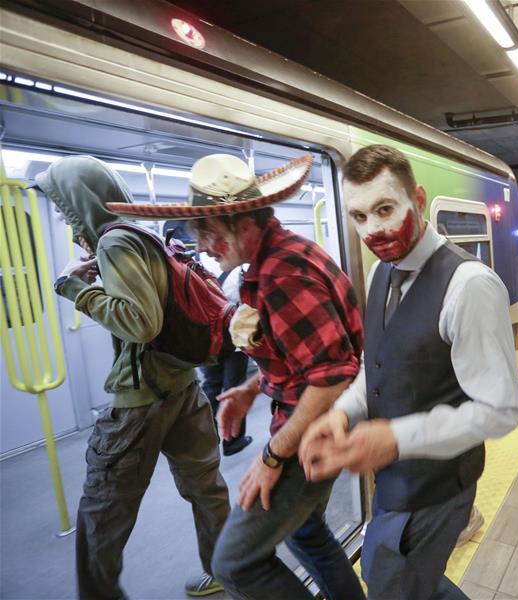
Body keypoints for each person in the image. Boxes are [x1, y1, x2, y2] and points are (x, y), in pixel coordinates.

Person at [107, 153, 366, 600]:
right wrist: (250, 388)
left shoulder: (282, 275)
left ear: (241, 219)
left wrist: (270, 457)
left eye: (206, 229)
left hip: (317, 430)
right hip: (316, 419)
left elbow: (331, 378)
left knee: (234, 563)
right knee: (306, 533)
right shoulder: (281, 259)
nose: (202, 245)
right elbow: (305, 358)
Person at [299, 144, 518, 599]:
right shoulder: (383, 273)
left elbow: (502, 411)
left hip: (436, 488)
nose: (373, 229)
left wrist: (396, 438)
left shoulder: (470, 286)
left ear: (418, 201)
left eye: (385, 208)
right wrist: (342, 414)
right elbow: (377, 363)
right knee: (406, 581)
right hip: (395, 482)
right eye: (359, 217)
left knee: (390, 587)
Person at [38, 156, 230, 599]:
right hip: (184, 386)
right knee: (206, 488)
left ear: (78, 202)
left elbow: (141, 324)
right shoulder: (144, 234)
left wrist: (73, 287)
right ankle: (224, 571)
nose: (63, 217)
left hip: (140, 400)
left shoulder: (115, 244)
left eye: (62, 206)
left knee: (103, 508)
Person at [200, 266, 253, 456]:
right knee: (233, 388)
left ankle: (206, 439)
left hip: (208, 340)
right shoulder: (241, 268)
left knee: (211, 386)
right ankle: (233, 441)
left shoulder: (200, 264)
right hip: (234, 341)